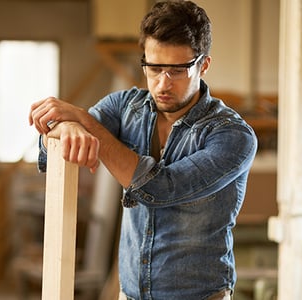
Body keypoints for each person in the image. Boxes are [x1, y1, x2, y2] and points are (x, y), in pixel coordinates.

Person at [29, 1, 257, 299]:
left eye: (177, 70)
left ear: (203, 65)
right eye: (154, 67)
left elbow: (160, 189)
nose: (163, 83)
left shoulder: (233, 135)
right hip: (130, 295)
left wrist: (84, 120)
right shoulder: (124, 107)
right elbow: (50, 150)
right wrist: (64, 129)